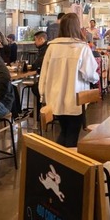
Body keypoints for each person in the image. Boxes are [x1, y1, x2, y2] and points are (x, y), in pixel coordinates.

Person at [39, 13, 99, 147]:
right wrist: (97, 77)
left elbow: (44, 73)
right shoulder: (82, 48)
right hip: (75, 99)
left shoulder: (52, 47)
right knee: (72, 133)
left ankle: (58, 163)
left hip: (55, 98)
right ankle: (67, 164)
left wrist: (42, 94)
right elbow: (90, 74)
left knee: (64, 130)